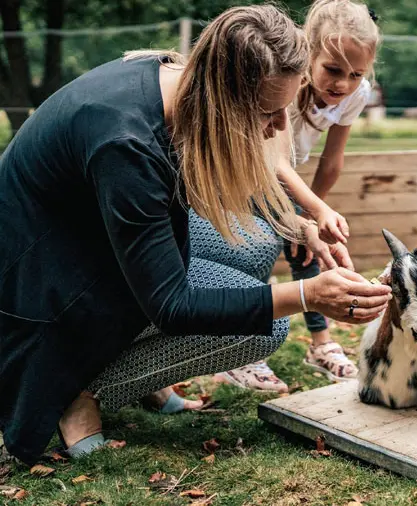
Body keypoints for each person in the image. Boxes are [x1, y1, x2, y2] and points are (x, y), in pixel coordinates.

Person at [0, 4, 392, 465]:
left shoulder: (173, 80)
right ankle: (76, 391)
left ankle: (120, 371)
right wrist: (307, 294)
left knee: (257, 244)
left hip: (89, 246)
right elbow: (172, 306)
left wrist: (300, 226)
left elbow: (216, 188)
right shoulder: (124, 145)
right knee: (264, 328)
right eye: (269, 111)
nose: (281, 126)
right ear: (223, 100)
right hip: (44, 289)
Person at [197, 0, 381, 390]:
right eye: (333, 70)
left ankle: (321, 343)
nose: (342, 84)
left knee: (306, 248)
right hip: (245, 171)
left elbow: (332, 162)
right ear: (308, 53)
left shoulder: (355, 94)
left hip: (284, 180)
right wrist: (313, 209)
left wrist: (312, 218)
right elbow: (275, 162)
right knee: (256, 249)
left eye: (355, 74)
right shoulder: (284, 79)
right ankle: (241, 351)